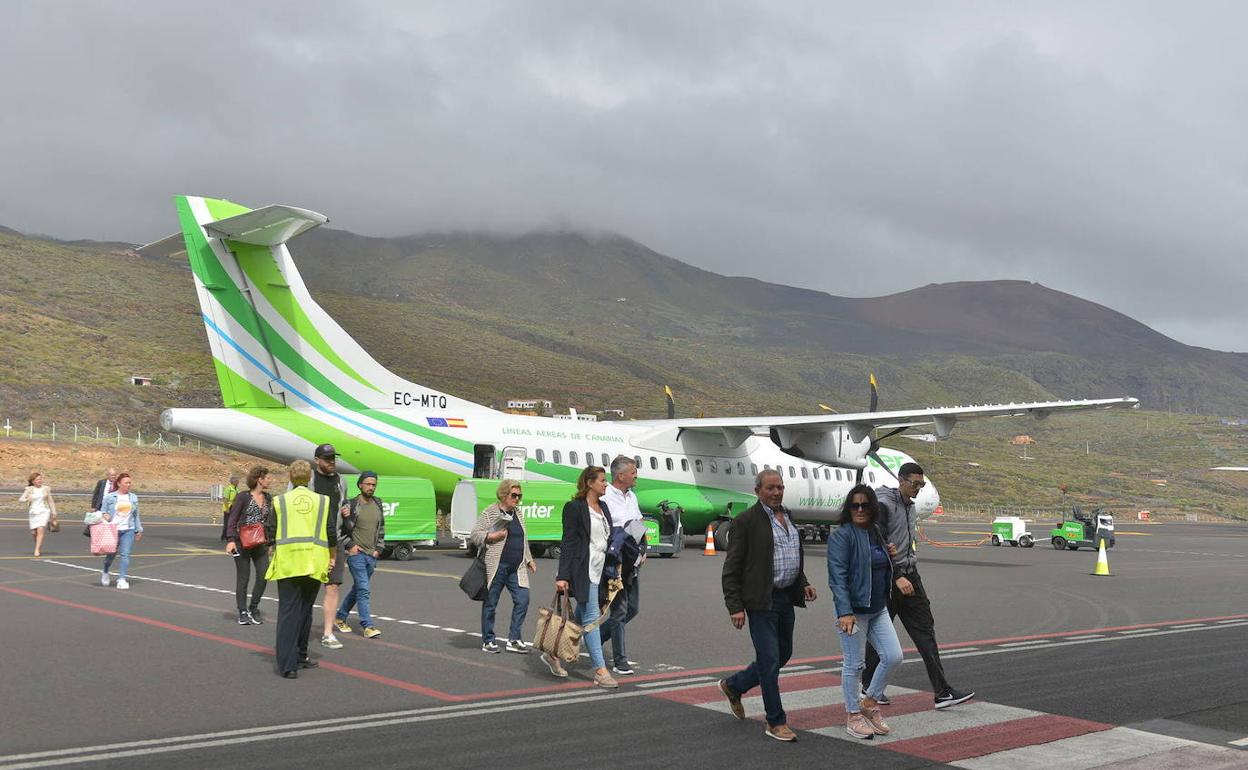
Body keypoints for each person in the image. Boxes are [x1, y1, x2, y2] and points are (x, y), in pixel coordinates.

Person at [863, 462, 974, 710]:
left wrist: (907, 572)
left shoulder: (909, 507)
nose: (918, 489)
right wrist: (896, 576)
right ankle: (868, 687)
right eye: (915, 484)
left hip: (910, 576)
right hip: (890, 579)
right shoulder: (884, 505)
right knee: (880, 633)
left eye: (921, 485)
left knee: (925, 631)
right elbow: (876, 541)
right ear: (901, 480)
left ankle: (942, 692)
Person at [718, 469, 817, 743]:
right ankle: (775, 721)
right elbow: (732, 569)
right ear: (757, 490)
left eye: (780, 487)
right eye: (770, 488)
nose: (776, 492)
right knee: (770, 660)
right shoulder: (746, 521)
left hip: (786, 597)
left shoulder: (788, 516)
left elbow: (790, 554)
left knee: (782, 653)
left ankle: (733, 685)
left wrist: (803, 582)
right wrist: (734, 606)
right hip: (761, 600)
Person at [828, 485, 903, 739]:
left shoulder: (876, 533)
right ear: (848, 509)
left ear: (873, 508)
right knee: (855, 664)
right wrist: (844, 611)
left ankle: (869, 704)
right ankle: (853, 715)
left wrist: (889, 556)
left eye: (865, 505)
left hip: (877, 607)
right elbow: (837, 577)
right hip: (853, 612)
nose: (859, 510)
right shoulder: (842, 536)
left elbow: (876, 566)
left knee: (893, 656)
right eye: (854, 505)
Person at [547, 466, 617, 689]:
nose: (606, 484)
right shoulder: (574, 508)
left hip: (599, 570)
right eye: (603, 481)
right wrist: (562, 575)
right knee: (591, 619)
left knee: (578, 618)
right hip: (581, 570)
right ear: (589, 483)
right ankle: (600, 670)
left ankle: (553, 652)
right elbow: (568, 542)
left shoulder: (603, 507)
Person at [267, 459, 333, 679]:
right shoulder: (323, 501)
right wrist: (332, 556)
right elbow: (331, 531)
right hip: (314, 561)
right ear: (310, 478)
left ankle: (287, 665)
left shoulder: (279, 501)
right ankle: (301, 654)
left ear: (290, 478)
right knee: (305, 610)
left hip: (288, 562)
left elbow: (270, 529)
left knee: (288, 612)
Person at [470, 479, 536, 654]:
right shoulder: (491, 512)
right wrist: (492, 536)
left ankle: (514, 639)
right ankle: (488, 640)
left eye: (519, 496)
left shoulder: (518, 513)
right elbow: (475, 535)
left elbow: (523, 538)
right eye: (514, 495)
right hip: (496, 566)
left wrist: (529, 559)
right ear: (504, 494)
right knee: (491, 603)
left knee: (523, 599)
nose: (517, 499)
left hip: (517, 567)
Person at [599, 455, 644, 675]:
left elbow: (638, 523)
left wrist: (642, 550)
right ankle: (619, 660)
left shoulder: (632, 496)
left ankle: (594, 637)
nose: (636, 474)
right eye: (633, 471)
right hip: (614, 562)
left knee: (633, 608)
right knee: (619, 611)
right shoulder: (606, 496)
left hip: (632, 561)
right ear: (620, 475)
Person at [335, 471, 386, 639]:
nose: (371, 487)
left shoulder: (378, 503)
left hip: (372, 555)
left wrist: (379, 548)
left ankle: (341, 617)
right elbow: (341, 530)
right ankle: (368, 626)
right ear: (360, 485)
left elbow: (382, 529)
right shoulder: (351, 504)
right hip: (357, 554)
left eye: (373, 484)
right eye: (368, 484)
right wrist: (350, 546)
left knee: (358, 588)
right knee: (363, 589)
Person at [225, 466, 276, 625]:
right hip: (241, 543)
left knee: (263, 575)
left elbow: (270, 522)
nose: (270, 480)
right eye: (267, 477)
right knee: (243, 578)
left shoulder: (268, 498)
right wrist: (231, 539)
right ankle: (242, 611)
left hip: (260, 543)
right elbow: (232, 519)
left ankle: (254, 607)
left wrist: (270, 542)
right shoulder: (242, 497)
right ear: (259, 479)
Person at [312, 443, 349, 649]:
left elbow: (342, 503)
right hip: (312, 541)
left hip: (335, 539)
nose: (332, 462)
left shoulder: (341, 481)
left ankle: (328, 633)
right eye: (327, 459)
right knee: (308, 587)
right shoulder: (308, 479)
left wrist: (346, 510)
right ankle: (301, 627)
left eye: (334, 458)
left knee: (333, 586)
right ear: (317, 460)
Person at [99, 472, 142, 590]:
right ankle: (105, 571)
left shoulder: (133, 497)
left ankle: (121, 579)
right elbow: (102, 511)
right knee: (111, 555)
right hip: (113, 529)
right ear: (119, 483)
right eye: (126, 483)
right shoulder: (110, 497)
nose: (128, 485)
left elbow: (136, 515)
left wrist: (138, 529)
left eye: (129, 483)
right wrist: (105, 515)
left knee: (125, 554)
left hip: (128, 529)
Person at [19, 472, 58, 557]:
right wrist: (26, 499)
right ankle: (38, 545)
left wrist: (54, 512)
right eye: (37, 479)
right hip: (33, 512)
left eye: (40, 479)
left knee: (40, 529)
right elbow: (21, 499)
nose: (39, 481)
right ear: (33, 481)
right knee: (34, 532)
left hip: (44, 511)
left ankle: (37, 550)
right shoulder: (29, 489)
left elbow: (50, 501)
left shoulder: (46, 489)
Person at [219, 475, 240, 540]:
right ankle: (224, 536)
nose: (238, 482)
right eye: (236, 481)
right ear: (233, 481)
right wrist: (227, 508)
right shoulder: (228, 489)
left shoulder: (237, 489)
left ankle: (229, 535)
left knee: (232, 522)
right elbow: (225, 499)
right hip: (228, 507)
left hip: (234, 507)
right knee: (227, 522)